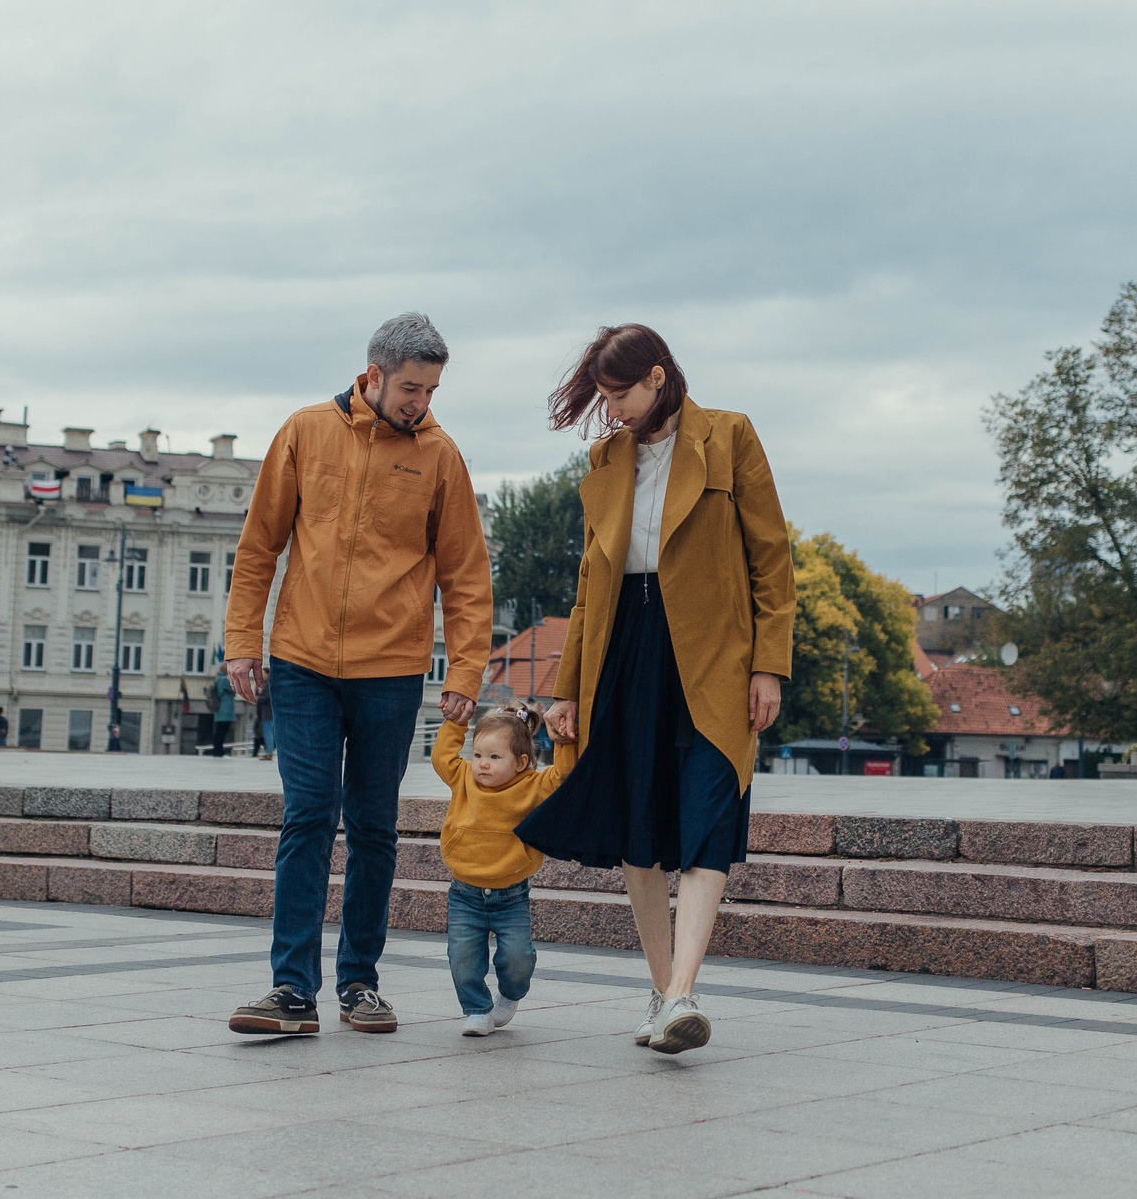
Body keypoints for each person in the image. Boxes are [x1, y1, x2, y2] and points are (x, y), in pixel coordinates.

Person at [518, 325, 794, 1057]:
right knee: (638, 827)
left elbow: (772, 556)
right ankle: (663, 987)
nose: (612, 411)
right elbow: (588, 584)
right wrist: (567, 688)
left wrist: (769, 663)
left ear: (658, 375)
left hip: (713, 653)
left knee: (708, 812)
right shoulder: (610, 457)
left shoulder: (730, 436)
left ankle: (682, 993)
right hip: (625, 648)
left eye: (619, 395)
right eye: (602, 400)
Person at [221, 313, 492, 1037]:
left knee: (373, 826)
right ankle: (291, 989)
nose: (421, 402)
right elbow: (258, 548)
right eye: (410, 387)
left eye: (431, 389)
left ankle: (361, 983)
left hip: (393, 668)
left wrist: (465, 668)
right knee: (309, 814)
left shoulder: (441, 456)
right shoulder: (305, 431)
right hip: (302, 660)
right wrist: (243, 641)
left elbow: (467, 574)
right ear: (371, 375)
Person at [432, 701, 576, 1036]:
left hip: (511, 895)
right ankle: (477, 1010)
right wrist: (456, 724)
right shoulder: (463, 777)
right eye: (479, 754)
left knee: (518, 958)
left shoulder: (531, 785)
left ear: (521, 762)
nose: (482, 764)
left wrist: (564, 743)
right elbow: (443, 758)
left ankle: (510, 995)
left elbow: (563, 775)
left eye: (495, 758)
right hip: (465, 893)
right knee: (462, 957)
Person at [208, 670, 236, 756]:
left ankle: (217, 749)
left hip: (220, 709)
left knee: (219, 730)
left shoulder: (218, 679)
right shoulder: (224, 679)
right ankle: (219, 750)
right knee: (222, 730)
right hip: (225, 708)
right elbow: (233, 689)